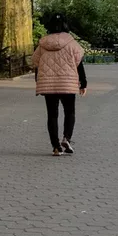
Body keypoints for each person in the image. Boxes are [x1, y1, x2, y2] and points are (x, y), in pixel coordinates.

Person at [33, 12, 86, 156]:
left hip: (48, 84)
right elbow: (79, 63)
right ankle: (66, 138)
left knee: (52, 115)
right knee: (70, 112)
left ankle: (56, 147)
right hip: (67, 83)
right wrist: (83, 83)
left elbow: (36, 62)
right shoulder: (71, 42)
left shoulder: (43, 43)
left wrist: (38, 79)